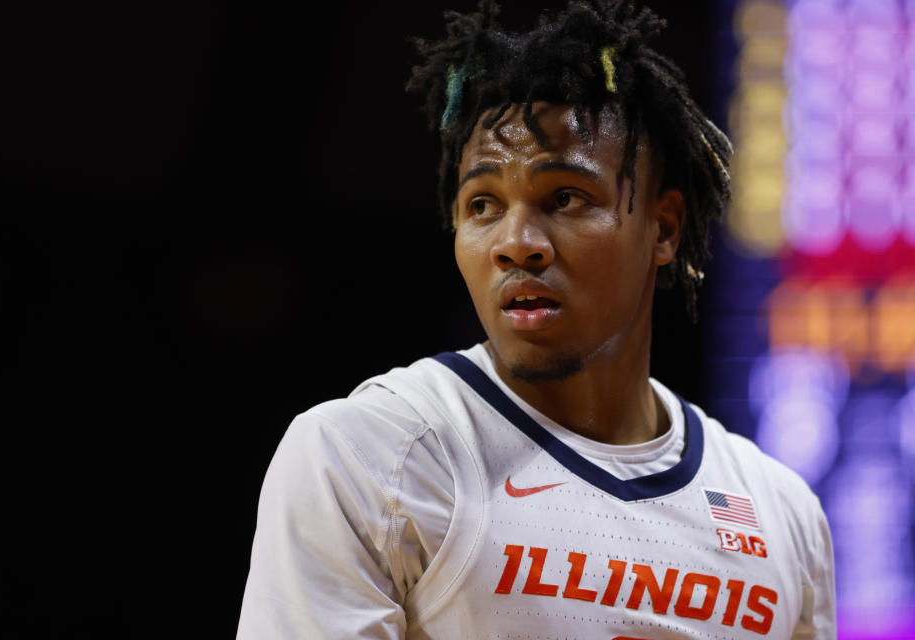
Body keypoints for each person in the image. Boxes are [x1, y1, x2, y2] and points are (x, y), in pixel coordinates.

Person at [236, 1, 836, 638]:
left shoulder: (782, 513)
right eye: (484, 204)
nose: (516, 242)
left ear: (662, 228)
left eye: (565, 197)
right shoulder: (369, 455)